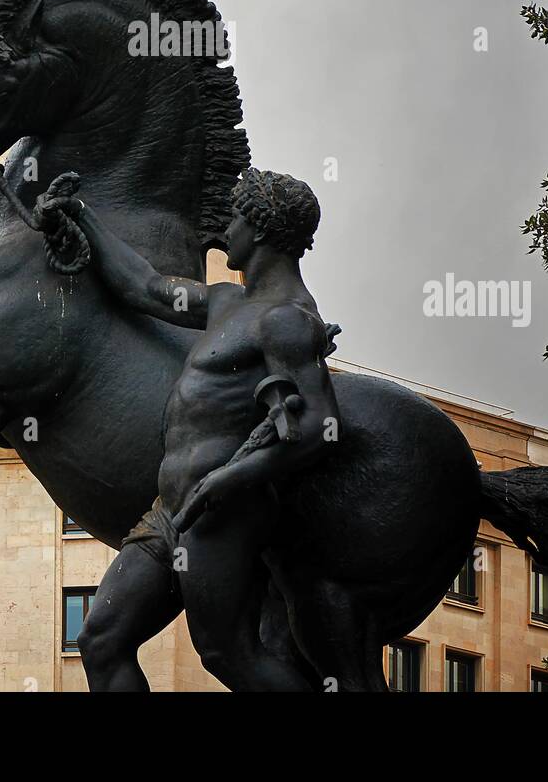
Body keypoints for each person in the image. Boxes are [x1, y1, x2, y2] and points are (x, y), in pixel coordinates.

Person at [36, 166, 340, 691]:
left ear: (261, 230)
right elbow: (147, 287)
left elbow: (320, 424)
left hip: (223, 513)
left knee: (226, 653)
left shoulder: (287, 319)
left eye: (237, 218)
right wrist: (78, 213)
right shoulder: (228, 302)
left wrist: (234, 479)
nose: (227, 229)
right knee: (101, 641)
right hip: (169, 509)